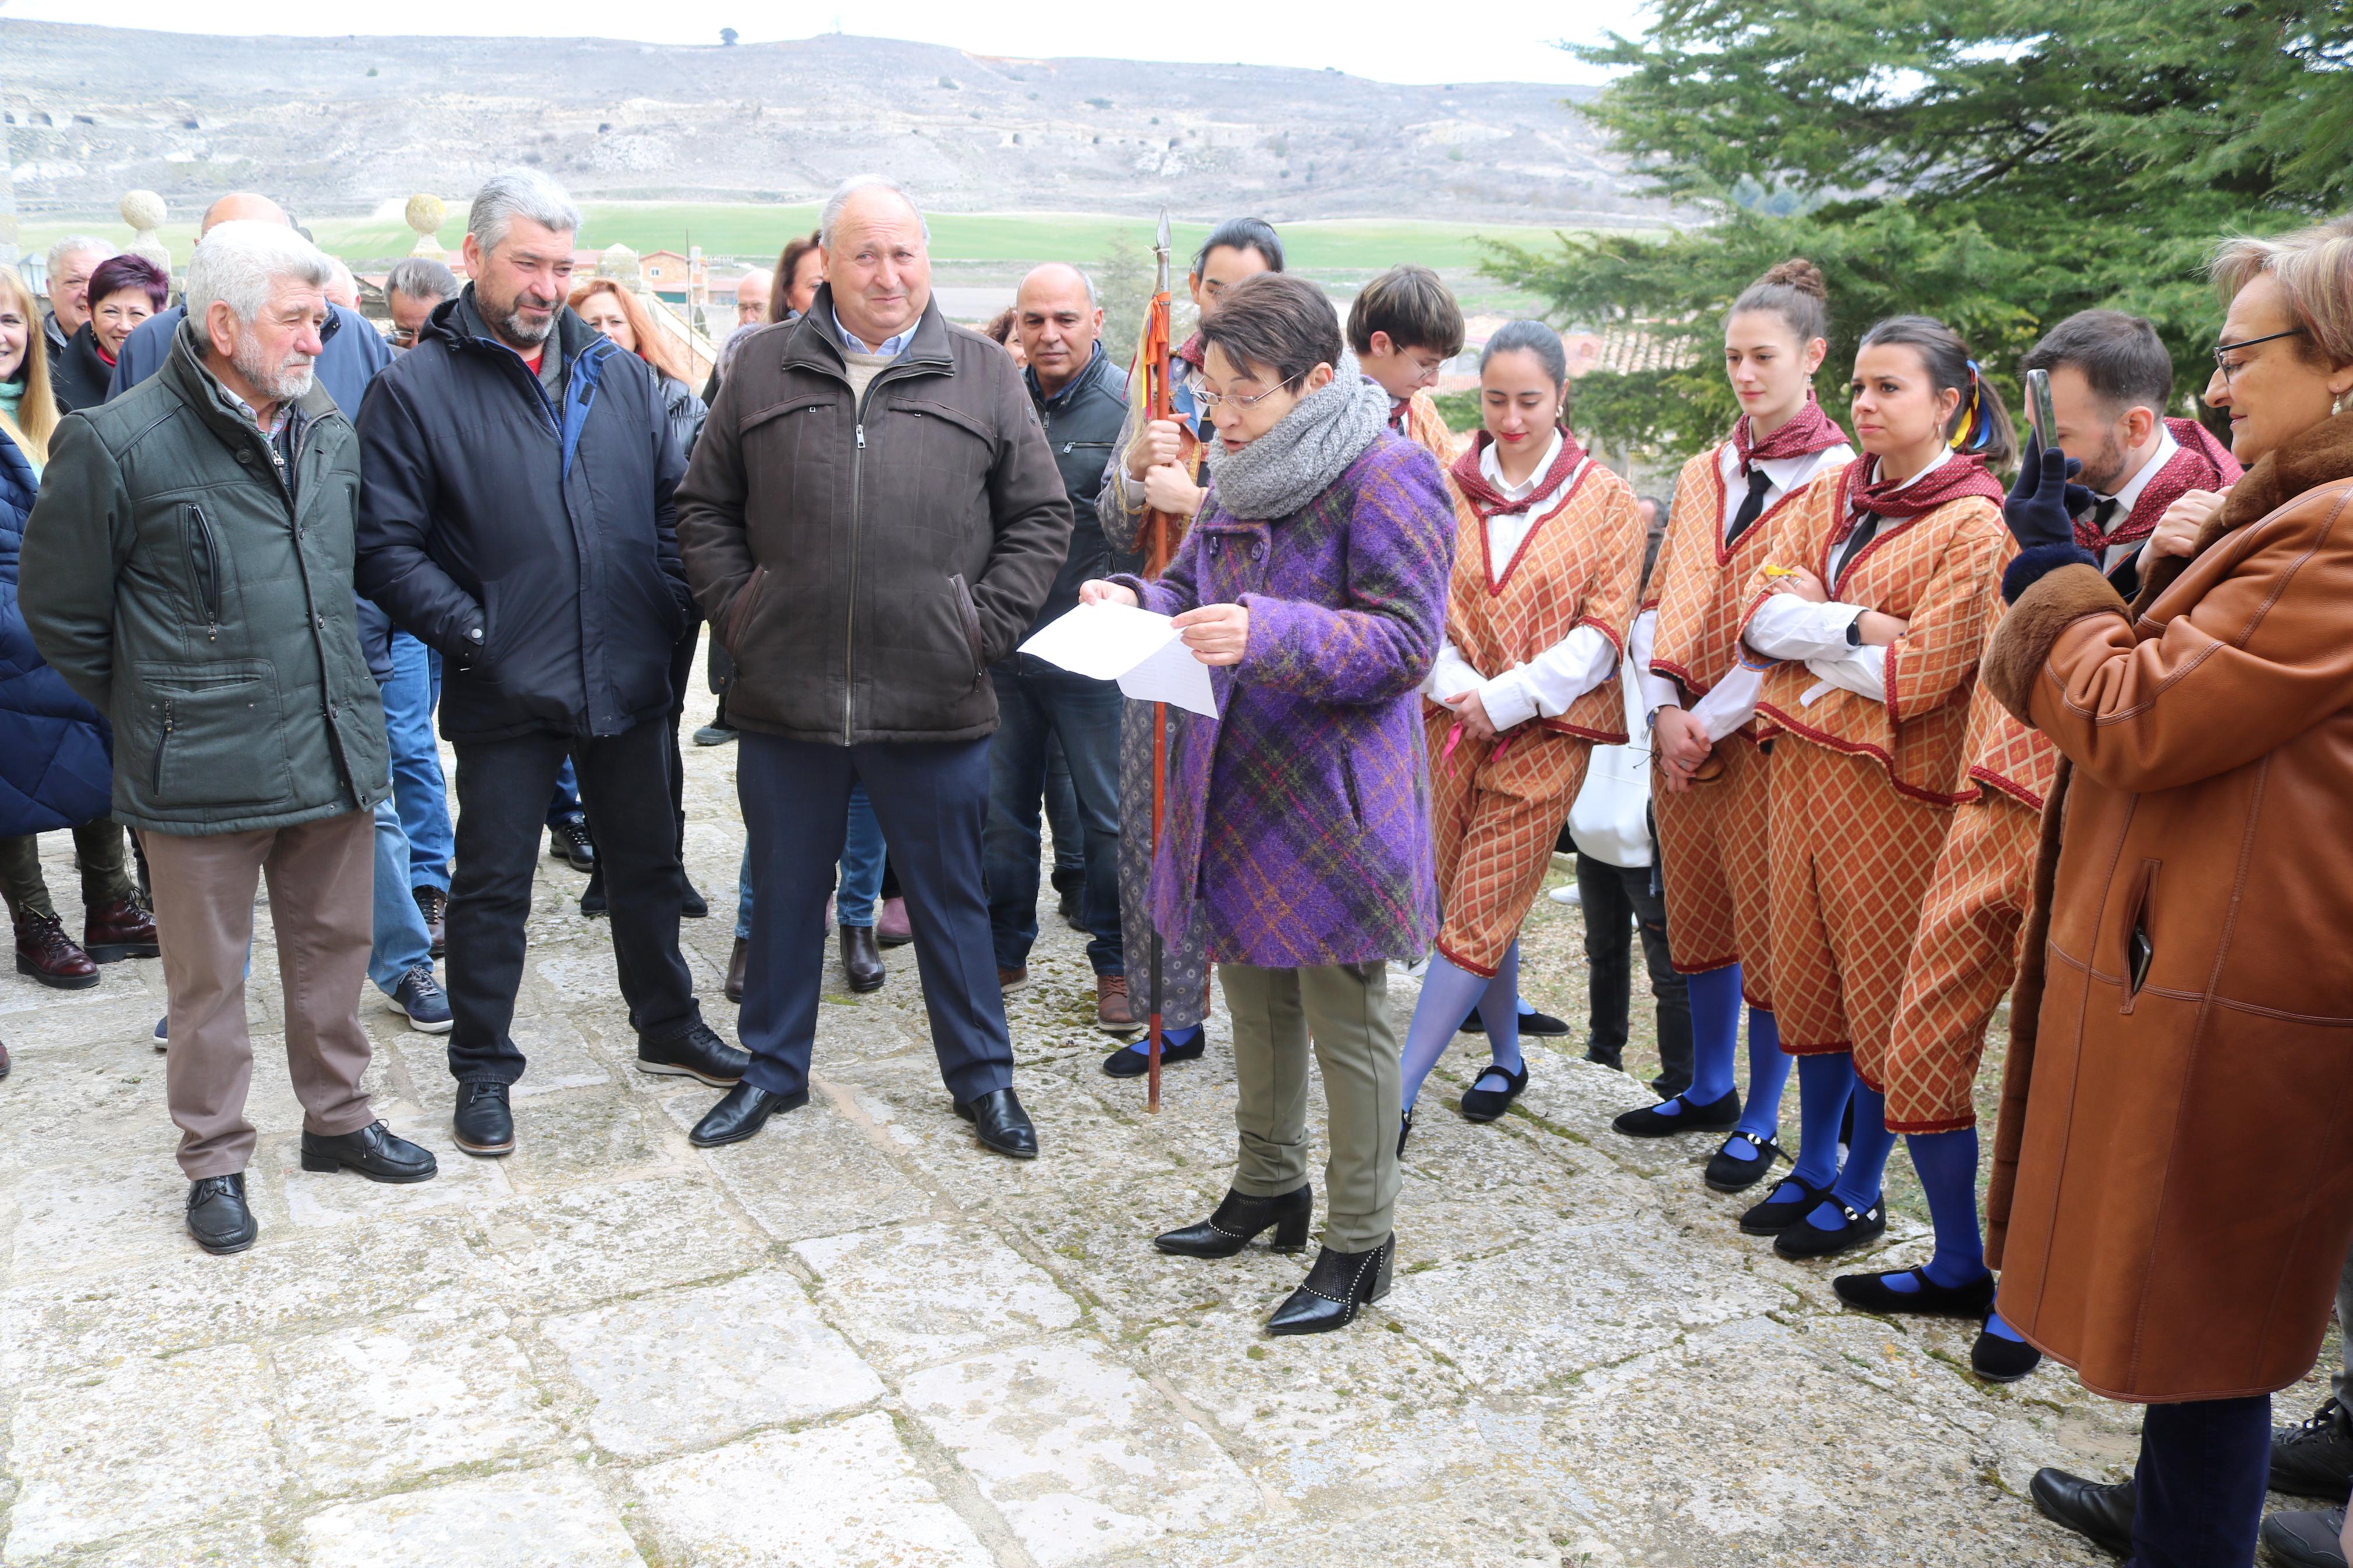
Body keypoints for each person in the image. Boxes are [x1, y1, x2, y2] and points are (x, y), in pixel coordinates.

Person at [1979, 217, 2353, 1568]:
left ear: (2342, 372)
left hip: (2247, 984)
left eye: (2242, 356)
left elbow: (2135, 713)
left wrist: (2042, 585)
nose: (2213, 388)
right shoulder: (2289, 515)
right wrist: (2138, 569)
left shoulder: (2332, 540)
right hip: (2218, 959)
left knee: (2208, 1323)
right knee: (2200, 1321)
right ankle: (2173, 1524)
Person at [22, 220, 439, 1253]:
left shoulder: (325, 424)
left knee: (335, 949)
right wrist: (155, 701)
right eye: (296, 321)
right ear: (221, 325)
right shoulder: (114, 443)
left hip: (329, 744)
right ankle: (214, 1160)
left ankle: (338, 1122)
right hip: (193, 764)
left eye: (320, 317)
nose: (319, 337)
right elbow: (61, 612)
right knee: (206, 981)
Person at [1846, 310, 2241, 1385]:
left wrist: (2092, 567)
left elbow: (2157, 689)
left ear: (2136, 421)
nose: (2039, 453)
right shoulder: (2042, 497)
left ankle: (2027, 1297)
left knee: (2057, 1071)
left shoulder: (2216, 515)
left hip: (2103, 821)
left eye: (2059, 432)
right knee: (1919, 1038)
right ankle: (1958, 1260)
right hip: (1992, 789)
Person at [1087, 271, 1451, 1334]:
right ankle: (1266, 1187)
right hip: (1234, 782)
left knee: (1347, 1023)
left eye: (1244, 395)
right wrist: (1135, 599)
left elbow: (1403, 645)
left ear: (1317, 382)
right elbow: (1194, 594)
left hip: (1334, 801)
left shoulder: (1390, 474)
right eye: (1214, 396)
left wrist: (1268, 632)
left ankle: (1359, 1240)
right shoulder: (1242, 473)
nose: (1222, 418)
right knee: (1253, 1000)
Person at [355, 169, 746, 1160]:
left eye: (561, 266)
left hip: (624, 670)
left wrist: (662, 610)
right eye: (527, 262)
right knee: (491, 885)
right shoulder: (413, 391)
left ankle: (665, 1026)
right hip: (505, 686)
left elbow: (676, 508)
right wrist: (481, 634)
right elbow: (383, 548)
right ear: (473, 259)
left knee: (649, 864)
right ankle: (482, 1066)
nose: (545, 285)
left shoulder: (612, 374)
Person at [675, 175, 1068, 1157]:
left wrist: (975, 630)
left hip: (932, 693)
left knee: (950, 899)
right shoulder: (758, 366)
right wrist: (743, 609)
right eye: (864, 254)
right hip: (786, 695)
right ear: (827, 263)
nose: (887, 274)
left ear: (925, 262)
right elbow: (701, 509)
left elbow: (1039, 517)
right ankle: (771, 1071)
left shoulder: (984, 373)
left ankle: (982, 1081)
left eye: (904, 253)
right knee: (783, 887)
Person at [1732, 314, 2013, 1262]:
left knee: (1877, 998)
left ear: (1946, 403)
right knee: (1806, 982)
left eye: (1888, 387)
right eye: (1857, 384)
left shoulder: (1973, 524)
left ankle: (1861, 1187)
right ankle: (1812, 1164)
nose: (1863, 402)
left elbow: (1923, 678)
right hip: (1802, 782)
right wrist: (1854, 628)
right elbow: (1756, 610)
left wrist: (1807, 636)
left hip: (1890, 802)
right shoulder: (1839, 495)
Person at [1613, 260, 1853, 1194]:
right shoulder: (1701, 470)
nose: (1744, 375)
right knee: (1697, 911)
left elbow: (1800, 627)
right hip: (1681, 727)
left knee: (1770, 926)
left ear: (1811, 356)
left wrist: (1705, 721)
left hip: (1765, 736)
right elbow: (1664, 595)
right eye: (1731, 358)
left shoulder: (1836, 480)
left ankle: (1762, 1114)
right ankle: (1708, 1083)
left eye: (1762, 357)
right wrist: (1664, 708)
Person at [1396, 321, 1644, 1146]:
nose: (1509, 418)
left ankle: (1392, 1092)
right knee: (1467, 889)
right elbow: (1415, 597)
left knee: (1480, 900)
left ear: (1560, 398)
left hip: (1547, 728)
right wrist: (1455, 684)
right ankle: (1505, 1055)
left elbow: (1602, 630)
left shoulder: (1606, 500)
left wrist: (1505, 698)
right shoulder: (1443, 485)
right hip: (1447, 717)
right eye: (1495, 399)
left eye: (1528, 401)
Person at [1096, 216, 1284, 1074]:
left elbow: (1299, 539)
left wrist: (1197, 493)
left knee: (1247, 831)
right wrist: (1138, 473)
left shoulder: (1295, 400)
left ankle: (1268, 1012)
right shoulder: (1162, 381)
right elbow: (1109, 518)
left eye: (1247, 288)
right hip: (1167, 628)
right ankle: (1167, 1013)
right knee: (1150, 823)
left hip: (1261, 652)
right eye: (1214, 288)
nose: (1227, 304)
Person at [984, 263, 1134, 1037]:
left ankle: (1115, 962)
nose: (1048, 334)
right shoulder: (999, 398)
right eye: (1033, 319)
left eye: (1065, 319)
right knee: (1001, 815)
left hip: (1093, 652)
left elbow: (1144, 530)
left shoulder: (1129, 411)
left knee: (1107, 818)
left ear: (1096, 319)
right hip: (1006, 644)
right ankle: (1003, 946)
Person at [0, 264, 158, 990]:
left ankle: (111, 904)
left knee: (91, 753)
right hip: (10, 632)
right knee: (14, 777)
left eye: (9, 319)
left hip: (65, 619)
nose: (1, 335)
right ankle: (36, 922)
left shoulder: (44, 416)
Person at [567, 276, 715, 922]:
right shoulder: (559, 404)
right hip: (587, 598)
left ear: (636, 329)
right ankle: (606, 861)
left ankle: (666, 863)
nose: (604, 333)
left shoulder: (678, 401)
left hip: (664, 595)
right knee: (598, 732)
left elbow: (696, 502)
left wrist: (677, 596)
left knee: (659, 728)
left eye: (614, 321)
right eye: (590, 323)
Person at [1566, 492, 1692, 1089]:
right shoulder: (1597, 627)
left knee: (1665, 964)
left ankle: (1680, 1080)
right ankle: (1602, 1052)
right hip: (1595, 811)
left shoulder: (1671, 634)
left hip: (1645, 819)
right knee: (1604, 947)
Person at [112, 194, 394, 412]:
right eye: (227, 248)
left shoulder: (357, 336)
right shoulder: (147, 342)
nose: (312, 343)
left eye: (271, 248)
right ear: (200, 253)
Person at [1346, 264, 1463, 458]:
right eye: (1425, 365)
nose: (1433, 381)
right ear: (1382, 345)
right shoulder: (1325, 410)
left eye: (1439, 366)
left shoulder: (1422, 411)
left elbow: (1448, 481)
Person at [51, 253, 166, 414]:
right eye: (111, 312)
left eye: (137, 314)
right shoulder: (61, 387)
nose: (124, 326)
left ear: (160, 317)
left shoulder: (179, 368)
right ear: (92, 316)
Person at [40, 236, 116, 367]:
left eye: (98, 281)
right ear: (51, 289)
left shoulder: (135, 347)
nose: (88, 292)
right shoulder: (29, 350)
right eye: (75, 281)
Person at [384, 257, 460, 352]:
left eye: (427, 332)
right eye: (406, 332)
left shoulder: (472, 362)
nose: (415, 344)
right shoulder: (378, 361)